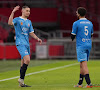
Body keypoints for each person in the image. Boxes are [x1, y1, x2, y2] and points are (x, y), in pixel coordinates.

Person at [8, 6, 42, 87]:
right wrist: (13, 12)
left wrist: (37, 38)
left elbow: (31, 32)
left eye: (29, 11)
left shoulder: (29, 22)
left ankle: (21, 83)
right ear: (22, 11)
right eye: (27, 11)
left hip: (27, 44)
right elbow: (9, 23)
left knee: (23, 63)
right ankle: (21, 79)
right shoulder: (17, 19)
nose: (28, 12)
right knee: (27, 60)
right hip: (20, 43)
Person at [71, 7, 93, 88]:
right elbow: (91, 34)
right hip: (88, 44)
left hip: (81, 45)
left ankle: (89, 83)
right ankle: (80, 83)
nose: (76, 13)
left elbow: (72, 36)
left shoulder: (76, 23)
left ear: (79, 14)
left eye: (77, 12)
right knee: (82, 64)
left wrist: (73, 38)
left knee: (84, 64)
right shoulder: (90, 23)